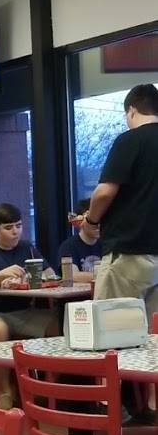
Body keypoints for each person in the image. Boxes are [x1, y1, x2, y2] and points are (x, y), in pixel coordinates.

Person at [0, 201, 58, 405]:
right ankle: (6, 392)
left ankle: (53, 386)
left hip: (23, 311)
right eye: (9, 227)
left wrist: (34, 278)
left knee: (59, 324)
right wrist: (0, 276)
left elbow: (50, 274)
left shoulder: (27, 248)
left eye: (19, 225)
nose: (15, 231)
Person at [83, 83, 158, 318]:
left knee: (113, 329)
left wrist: (91, 221)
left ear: (132, 110)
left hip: (129, 251)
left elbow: (104, 192)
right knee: (154, 333)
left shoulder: (130, 140)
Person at [58, 201, 102, 278]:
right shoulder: (68, 246)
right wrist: (103, 276)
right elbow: (71, 275)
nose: (98, 224)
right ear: (79, 222)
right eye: (93, 220)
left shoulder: (108, 244)